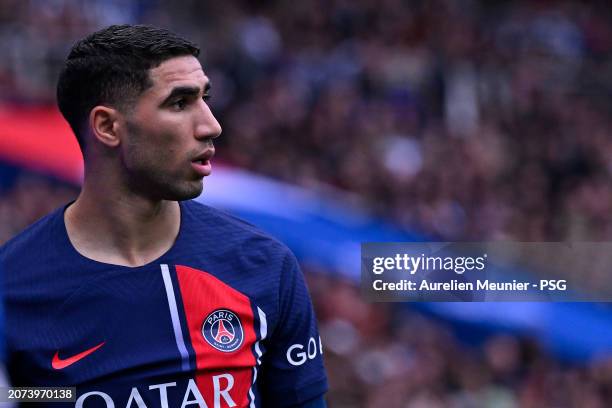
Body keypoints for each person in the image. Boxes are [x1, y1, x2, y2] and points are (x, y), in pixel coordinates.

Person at [0, 25, 327, 407]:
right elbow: (24, 396)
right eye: (179, 103)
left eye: (205, 98)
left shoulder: (265, 266)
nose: (211, 125)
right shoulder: (12, 288)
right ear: (107, 127)